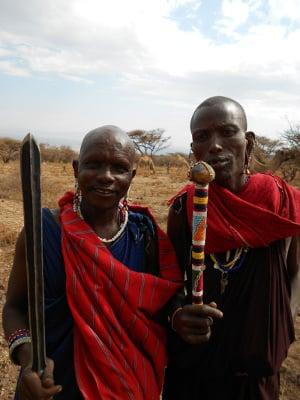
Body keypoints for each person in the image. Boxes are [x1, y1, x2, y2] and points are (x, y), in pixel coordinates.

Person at [3, 125, 182, 400]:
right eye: (93, 165)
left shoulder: (144, 236)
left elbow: (163, 309)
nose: (106, 177)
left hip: (127, 386)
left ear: (132, 175)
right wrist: (29, 359)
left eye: (119, 168)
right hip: (50, 388)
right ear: (76, 169)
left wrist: (181, 314)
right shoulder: (42, 231)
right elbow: (14, 307)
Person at [163, 96, 300, 400]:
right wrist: (178, 315)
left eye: (227, 132)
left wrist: (283, 318)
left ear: (248, 142)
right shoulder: (184, 209)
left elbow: (296, 272)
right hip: (194, 367)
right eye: (202, 137)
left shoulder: (280, 203)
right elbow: (170, 282)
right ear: (193, 150)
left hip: (256, 373)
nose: (214, 145)